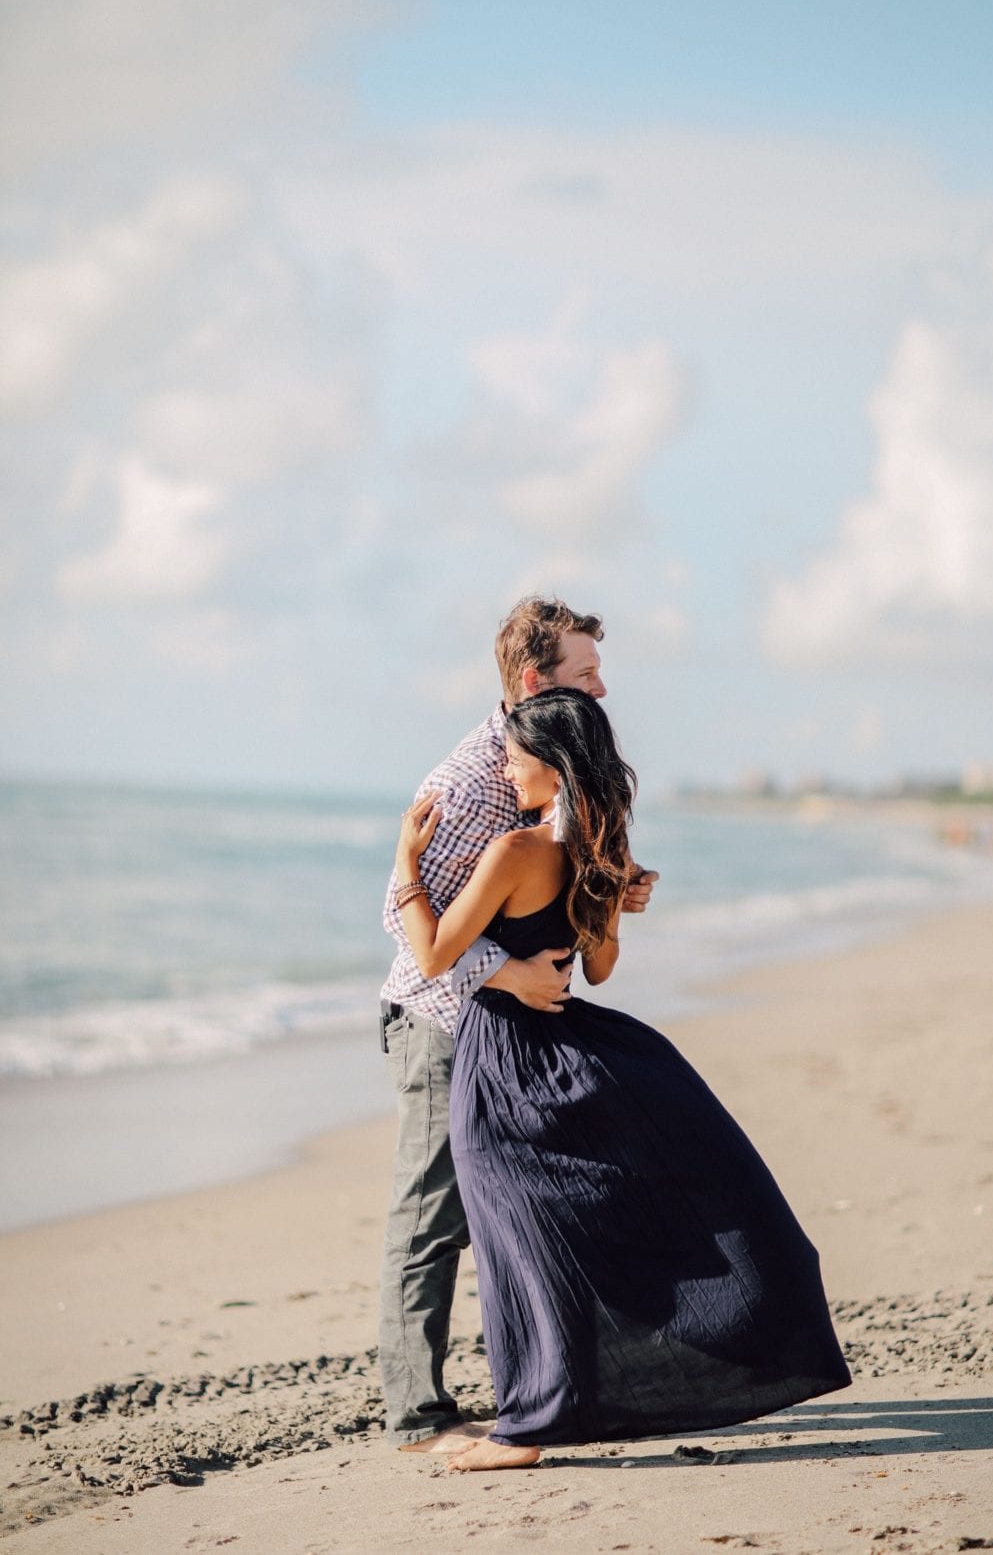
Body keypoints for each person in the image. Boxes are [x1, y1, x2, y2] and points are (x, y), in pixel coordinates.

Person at [394, 687, 852, 1472]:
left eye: (514, 756)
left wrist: (407, 863)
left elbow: (432, 954)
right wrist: (607, 902)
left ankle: (524, 1430)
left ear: (552, 764)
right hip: (572, 1046)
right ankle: (542, 1413)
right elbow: (599, 970)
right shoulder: (598, 852)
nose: (505, 769)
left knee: (520, 1242)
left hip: (502, 1062)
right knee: (557, 1236)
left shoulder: (514, 851)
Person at [378, 598, 658, 1455]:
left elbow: (571, 900)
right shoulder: (466, 782)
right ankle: (416, 1417)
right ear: (535, 682)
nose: (603, 686)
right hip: (442, 1026)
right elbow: (400, 924)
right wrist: (502, 969)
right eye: (585, 672)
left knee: (543, 1209)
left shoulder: (568, 764)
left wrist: (616, 891)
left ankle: (559, 1390)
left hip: (524, 1039)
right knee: (434, 1218)